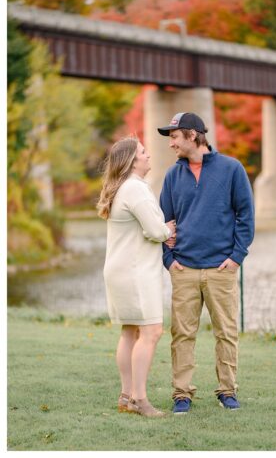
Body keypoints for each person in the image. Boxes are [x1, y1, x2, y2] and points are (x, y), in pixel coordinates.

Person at [157, 112, 255, 414]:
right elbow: (164, 223)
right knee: (182, 334)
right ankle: (182, 394)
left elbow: (246, 216)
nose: (171, 143)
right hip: (184, 269)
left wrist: (237, 257)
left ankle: (227, 390)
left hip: (221, 269)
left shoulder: (232, 169)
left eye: (174, 136)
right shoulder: (173, 175)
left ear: (192, 135)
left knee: (226, 332)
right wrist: (169, 259)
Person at [97, 136, 177, 418]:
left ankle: (126, 395)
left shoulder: (123, 188)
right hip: (135, 272)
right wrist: (167, 230)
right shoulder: (136, 189)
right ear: (132, 161)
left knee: (130, 331)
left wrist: (157, 228)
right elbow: (155, 231)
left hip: (120, 271)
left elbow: (146, 227)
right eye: (143, 152)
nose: (148, 156)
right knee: (152, 331)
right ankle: (139, 399)